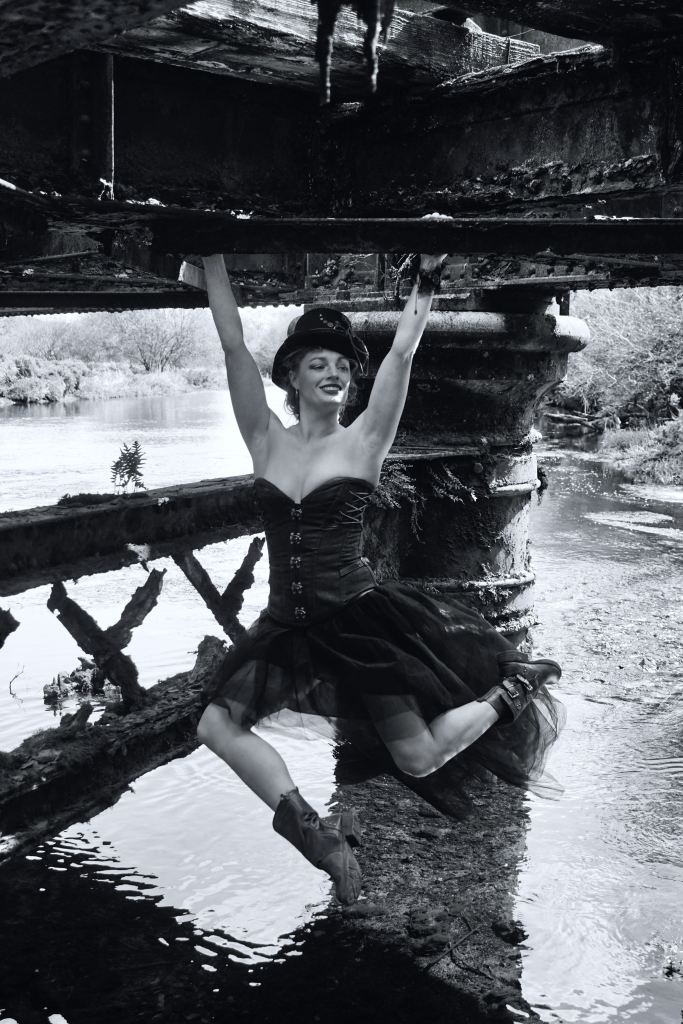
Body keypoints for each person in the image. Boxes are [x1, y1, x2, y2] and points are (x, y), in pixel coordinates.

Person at [197, 253, 563, 907]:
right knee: (216, 725)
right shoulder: (264, 438)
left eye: (341, 366)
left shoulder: (365, 440)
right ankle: (320, 842)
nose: (334, 373)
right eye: (319, 364)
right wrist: (214, 259)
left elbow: (398, 358)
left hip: (358, 621)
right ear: (290, 376)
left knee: (418, 758)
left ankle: (510, 690)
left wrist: (423, 283)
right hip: (286, 624)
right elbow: (230, 345)